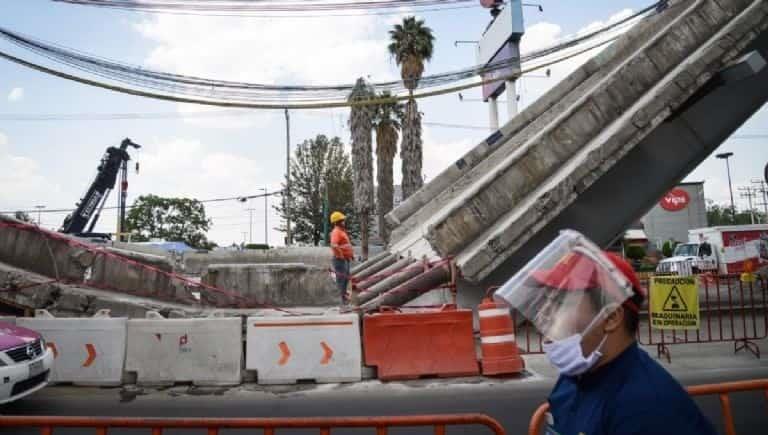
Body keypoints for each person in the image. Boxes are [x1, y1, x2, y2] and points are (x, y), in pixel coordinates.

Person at [495, 230, 717, 435]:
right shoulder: (574, 380)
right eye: (549, 300)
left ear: (611, 318)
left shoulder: (646, 408)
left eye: (562, 301)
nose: (546, 313)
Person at [330, 211, 354, 304]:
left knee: (346, 279)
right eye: (342, 220)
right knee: (341, 280)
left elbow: (345, 245)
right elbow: (334, 245)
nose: (344, 222)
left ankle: (343, 299)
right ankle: (340, 301)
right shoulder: (336, 232)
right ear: (338, 222)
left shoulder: (341, 231)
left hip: (345, 259)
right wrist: (341, 256)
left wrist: (350, 255)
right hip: (340, 260)